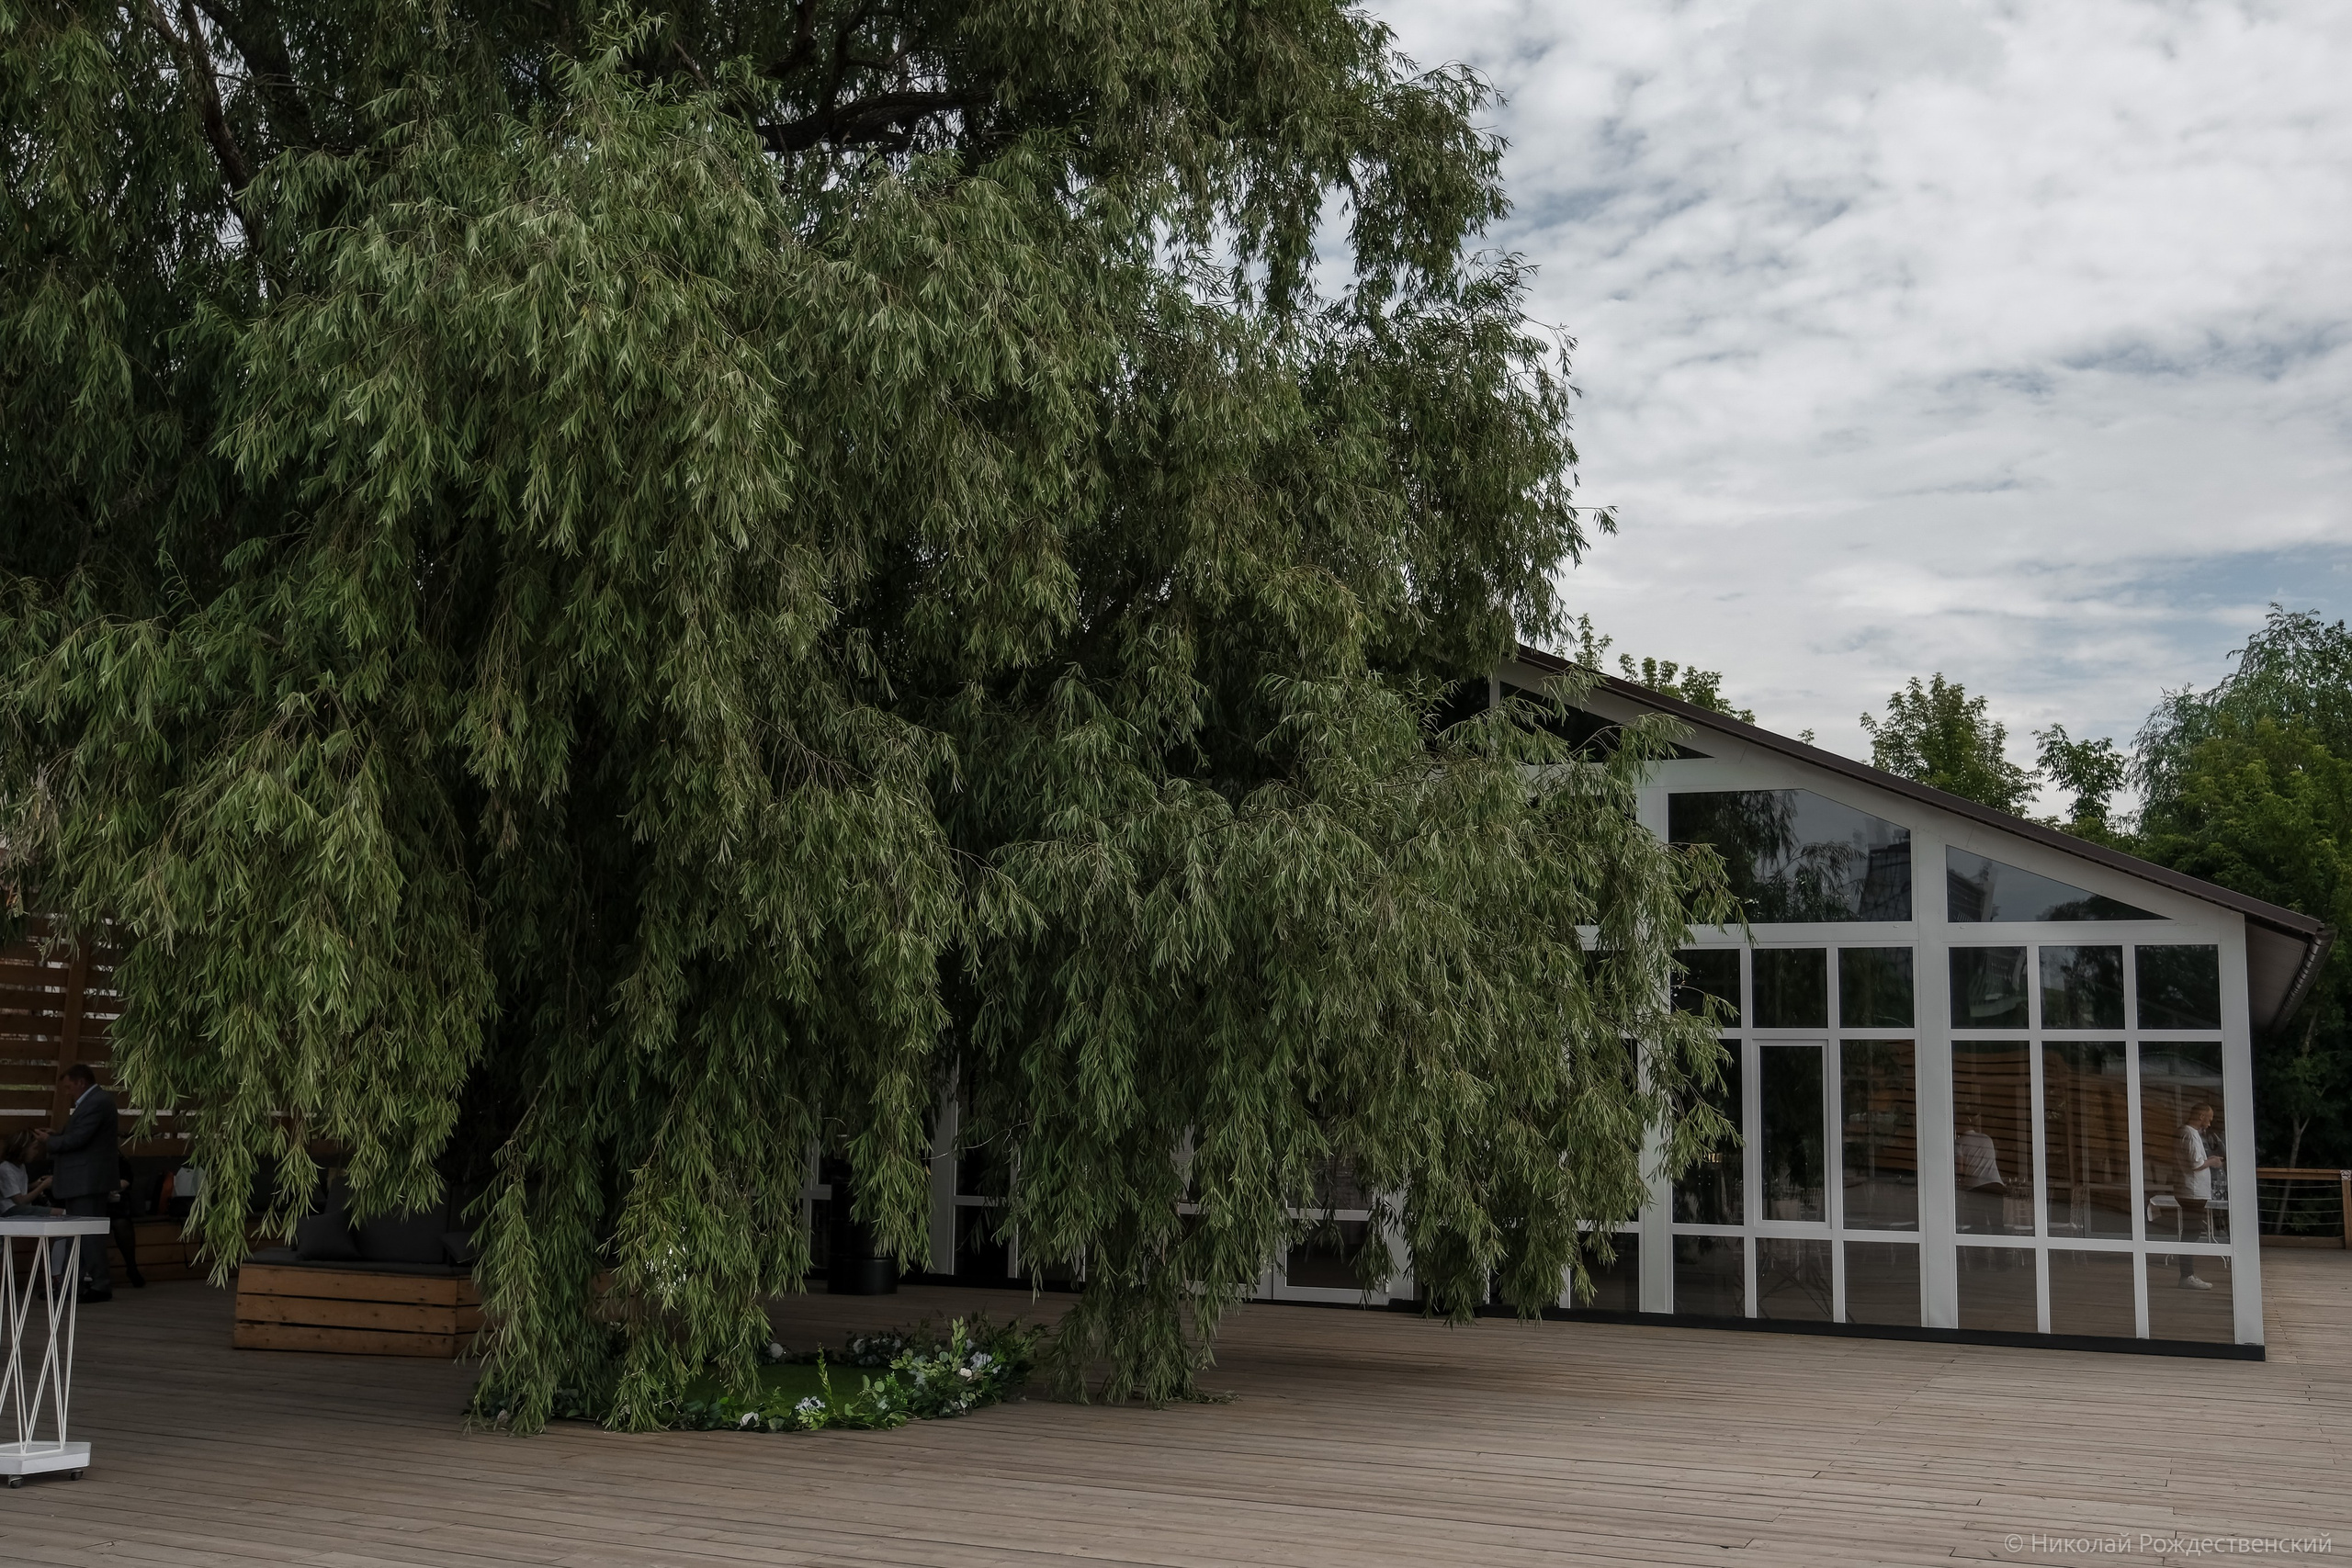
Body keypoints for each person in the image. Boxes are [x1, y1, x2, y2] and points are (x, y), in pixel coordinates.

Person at [46, 1064, 121, 1303]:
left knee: (87, 1234)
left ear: (81, 1082)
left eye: (69, 1086)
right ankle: (70, 1285)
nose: (68, 1092)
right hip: (84, 1180)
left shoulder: (97, 1102)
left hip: (86, 1180)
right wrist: (56, 1137)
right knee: (78, 1233)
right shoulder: (96, 1102)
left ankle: (99, 1284)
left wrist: (51, 1141)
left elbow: (80, 1139)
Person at [2175, 1101, 2223, 1290]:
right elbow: (2195, 1164)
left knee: (2191, 1232)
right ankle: (2186, 1276)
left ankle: (2187, 1275)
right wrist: (2212, 1161)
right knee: (2191, 1234)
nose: (2209, 1124)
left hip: (2191, 1190)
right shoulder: (2189, 1133)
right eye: (2208, 1119)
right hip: (2192, 1191)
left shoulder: (2188, 1133)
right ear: (2201, 1116)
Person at [1954, 1109, 2008, 1235]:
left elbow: (1960, 1169)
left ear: (1959, 1126)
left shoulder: (1959, 1143)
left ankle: (1980, 1254)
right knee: (1997, 1224)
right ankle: (2002, 1253)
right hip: (1995, 1183)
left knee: (1978, 1225)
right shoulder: (1986, 1138)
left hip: (1976, 1186)